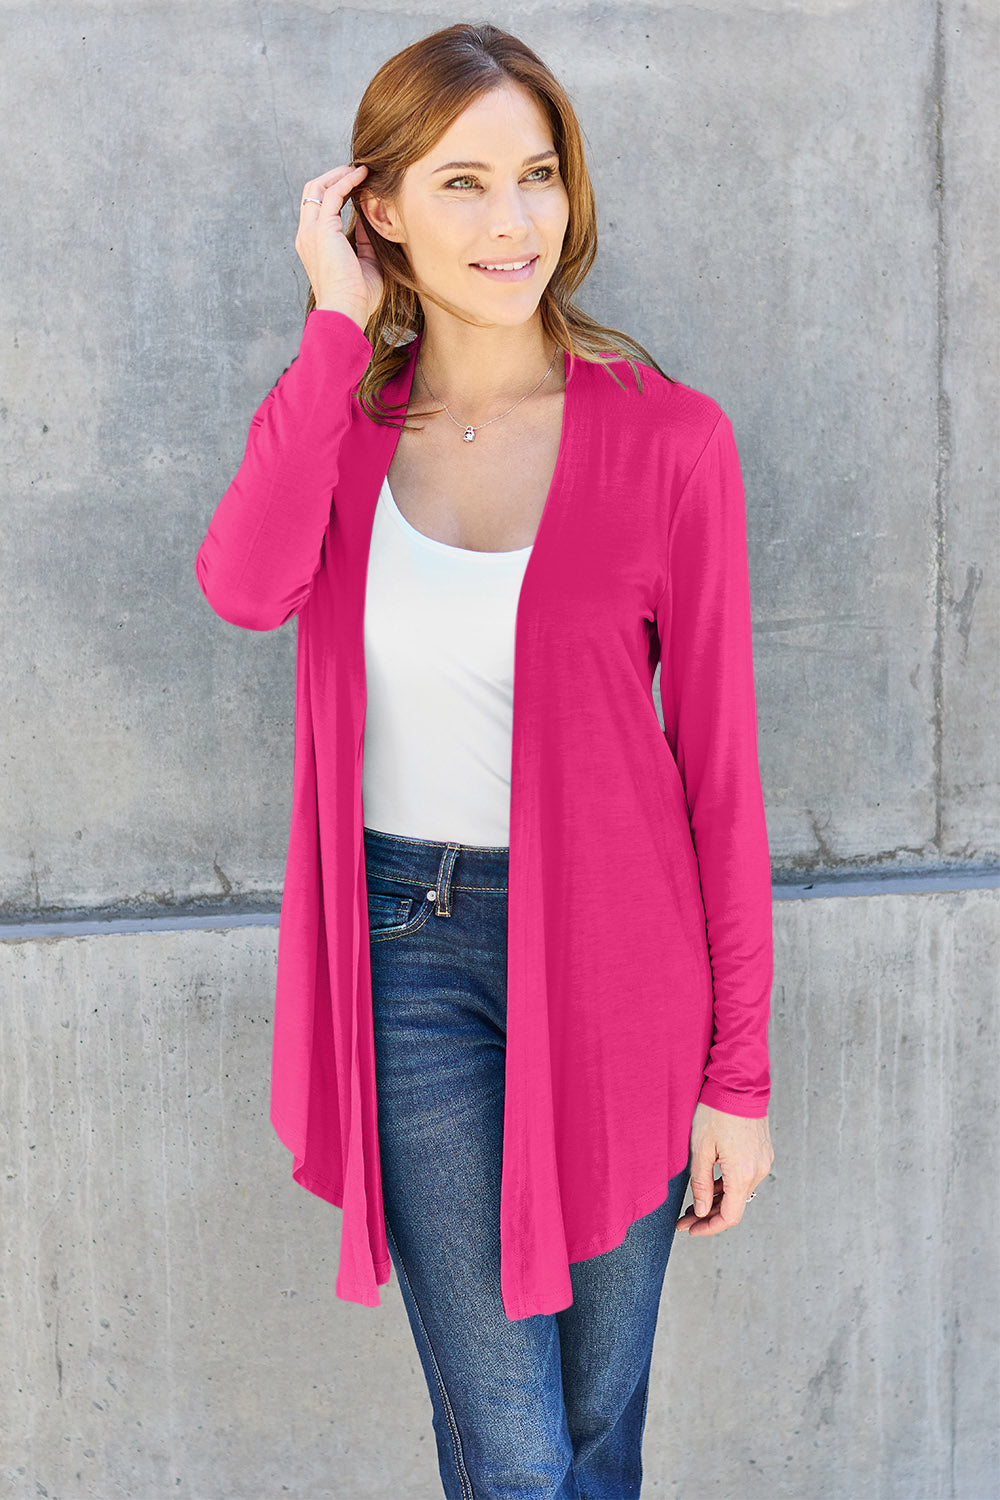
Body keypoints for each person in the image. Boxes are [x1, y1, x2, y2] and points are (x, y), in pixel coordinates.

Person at [196, 21, 775, 1499]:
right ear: (376, 206)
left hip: (625, 969)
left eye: (536, 177)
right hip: (409, 961)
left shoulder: (670, 442)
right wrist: (335, 327)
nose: (513, 222)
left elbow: (721, 775)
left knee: (595, 1423)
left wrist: (740, 1080)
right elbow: (244, 585)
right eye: (461, 183)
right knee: (513, 1449)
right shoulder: (346, 423)